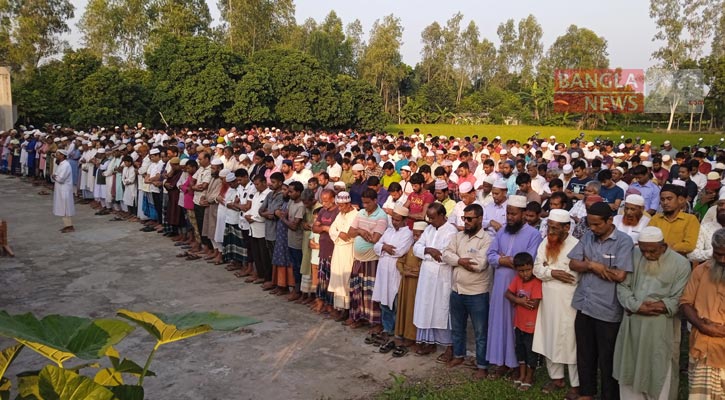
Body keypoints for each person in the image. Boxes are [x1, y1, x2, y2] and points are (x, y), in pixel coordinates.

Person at [613, 226, 691, 400]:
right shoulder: (633, 255)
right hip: (633, 322)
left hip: (662, 326)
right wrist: (637, 306)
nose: (647, 255)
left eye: (652, 251)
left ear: (663, 246)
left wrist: (658, 307)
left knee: (659, 365)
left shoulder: (681, 263)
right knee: (630, 364)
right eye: (643, 250)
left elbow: (679, 297)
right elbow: (623, 286)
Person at [568, 202, 634, 400]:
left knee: (607, 358)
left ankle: (609, 396)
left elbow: (620, 275)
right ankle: (587, 393)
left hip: (607, 308)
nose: (593, 228)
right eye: (590, 224)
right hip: (584, 304)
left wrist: (589, 265)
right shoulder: (588, 235)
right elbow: (573, 262)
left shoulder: (624, 241)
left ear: (610, 220)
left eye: (597, 224)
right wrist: (593, 266)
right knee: (585, 354)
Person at [486, 195, 543, 379]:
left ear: (524, 214)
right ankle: (500, 362)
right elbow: (490, 255)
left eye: (513, 214)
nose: (510, 217)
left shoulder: (534, 234)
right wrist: (504, 259)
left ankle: (516, 365)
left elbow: (528, 260)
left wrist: (508, 260)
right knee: (499, 323)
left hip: (520, 285)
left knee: (514, 326)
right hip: (500, 284)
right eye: (508, 213)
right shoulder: (502, 231)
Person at [442, 203, 493, 380]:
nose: (466, 222)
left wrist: (457, 260)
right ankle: (458, 356)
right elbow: (446, 254)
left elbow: (479, 265)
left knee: (480, 332)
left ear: (480, 219)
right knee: (457, 328)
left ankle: (482, 365)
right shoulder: (458, 236)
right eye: (464, 218)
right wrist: (461, 261)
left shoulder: (487, 239)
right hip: (457, 290)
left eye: (470, 219)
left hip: (477, 293)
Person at [532, 209, 580, 398]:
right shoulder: (546, 242)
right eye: (549, 227)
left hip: (568, 302)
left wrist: (548, 270)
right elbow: (537, 268)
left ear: (566, 228)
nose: (550, 231)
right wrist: (552, 273)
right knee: (549, 336)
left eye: (555, 228)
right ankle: (556, 378)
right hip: (548, 301)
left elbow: (573, 276)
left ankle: (576, 384)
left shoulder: (576, 245)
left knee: (570, 341)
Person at [680, 228, 725, 399]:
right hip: (702, 346)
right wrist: (702, 325)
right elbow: (685, 303)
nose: (721, 259)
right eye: (718, 254)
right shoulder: (701, 271)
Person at [412, 203, 458, 359]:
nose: (430, 220)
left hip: (442, 275)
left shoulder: (451, 231)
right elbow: (416, 248)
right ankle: (430, 342)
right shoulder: (429, 229)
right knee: (425, 307)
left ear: (442, 215)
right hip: (427, 275)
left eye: (432, 217)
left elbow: (445, 255)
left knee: (442, 310)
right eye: (428, 217)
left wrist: (429, 251)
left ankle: (449, 347)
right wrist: (428, 250)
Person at [371, 205, 413, 351]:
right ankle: (387, 330)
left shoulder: (408, 234)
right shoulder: (388, 230)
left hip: (395, 272)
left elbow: (399, 251)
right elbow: (376, 246)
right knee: (384, 302)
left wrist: (385, 247)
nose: (394, 222)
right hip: (383, 270)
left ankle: (397, 334)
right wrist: (384, 247)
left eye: (397, 220)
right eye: (393, 219)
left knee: (395, 304)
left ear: (405, 220)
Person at [347, 188, 389, 329]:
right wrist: (360, 231)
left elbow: (375, 239)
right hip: (358, 259)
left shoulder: (381, 216)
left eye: (368, 203)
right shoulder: (360, 213)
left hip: (372, 261)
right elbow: (350, 232)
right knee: (357, 290)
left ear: (375, 201)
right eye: (363, 203)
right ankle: (359, 317)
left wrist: (359, 231)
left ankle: (375, 322)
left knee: (371, 293)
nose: (365, 206)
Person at [505, 252, 543, 392]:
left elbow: (534, 304)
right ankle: (521, 375)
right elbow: (507, 293)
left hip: (531, 327)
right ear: (516, 270)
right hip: (519, 324)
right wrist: (519, 300)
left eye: (528, 270)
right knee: (520, 350)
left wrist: (519, 301)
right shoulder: (517, 280)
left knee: (530, 352)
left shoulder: (537, 282)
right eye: (521, 271)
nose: (525, 274)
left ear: (533, 267)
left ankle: (529, 377)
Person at [327, 191, 358, 321]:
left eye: (342, 205)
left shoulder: (355, 215)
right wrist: (340, 233)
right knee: (337, 278)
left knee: (346, 279)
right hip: (338, 249)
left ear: (348, 203)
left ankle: (348, 310)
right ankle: (340, 308)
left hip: (348, 250)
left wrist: (339, 233)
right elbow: (332, 230)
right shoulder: (340, 214)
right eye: (338, 205)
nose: (340, 208)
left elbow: (349, 235)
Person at [648, 184, 700, 256]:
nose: (665, 202)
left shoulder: (690, 219)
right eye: (662, 199)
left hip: (678, 261)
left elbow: (689, 245)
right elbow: (648, 239)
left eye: (669, 199)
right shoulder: (655, 219)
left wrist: (666, 248)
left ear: (679, 200)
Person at [689, 193, 725, 264]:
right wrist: (715, 252)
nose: (723, 207)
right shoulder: (705, 228)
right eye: (720, 204)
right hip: (712, 270)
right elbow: (692, 254)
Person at [52, 150, 76, 233]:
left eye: (58, 155)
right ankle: (67, 225)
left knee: (65, 208)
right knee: (63, 208)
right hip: (60, 189)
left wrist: (54, 177)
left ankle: (70, 226)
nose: (56, 156)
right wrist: (55, 176)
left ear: (62, 156)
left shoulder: (66, 165)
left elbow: (61, 178)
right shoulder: (61, 164)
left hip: (64, 189)